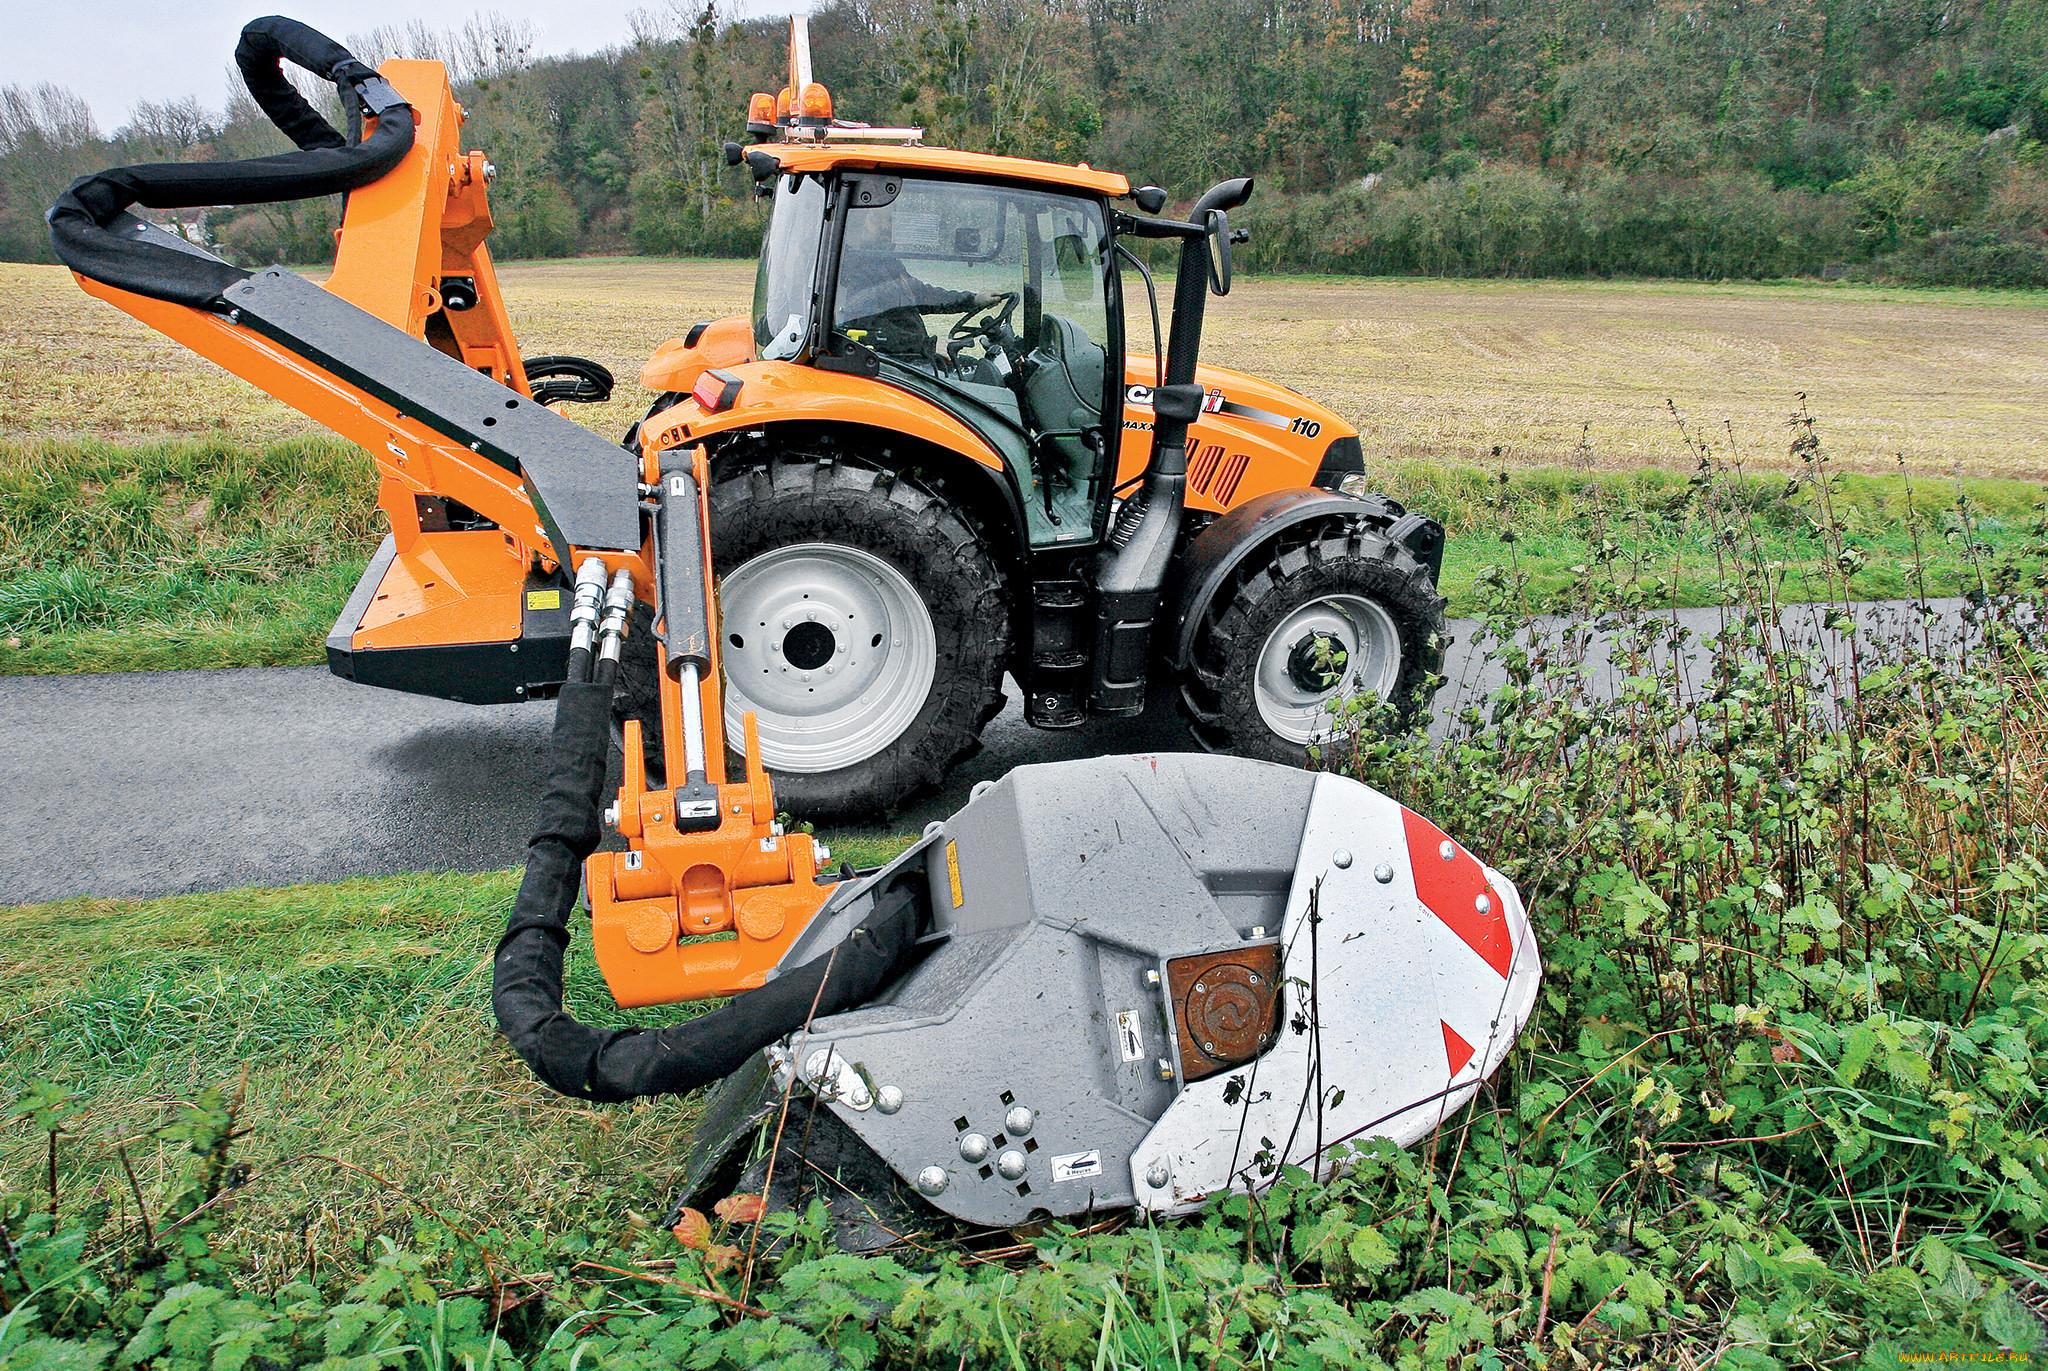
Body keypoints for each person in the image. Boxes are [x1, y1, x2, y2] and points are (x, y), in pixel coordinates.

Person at [835, 201, 1003, 362]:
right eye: (876, 220)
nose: (886, 227)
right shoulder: (852, 271)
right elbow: (864, 328)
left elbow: (923, 295)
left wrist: (973, 300)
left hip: (909, 357)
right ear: (855, 225)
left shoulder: (886, 264)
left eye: (889, 220)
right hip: (891, 364)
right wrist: (925, 345)